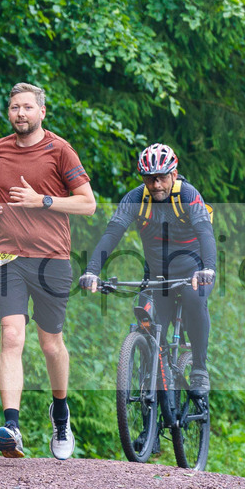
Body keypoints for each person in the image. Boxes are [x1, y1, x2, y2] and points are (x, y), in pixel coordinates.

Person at [0, 82, 97, 460]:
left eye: (28, 107)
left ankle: (60, 411)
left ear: (41, 112)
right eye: (15, 107)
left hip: (52, 259)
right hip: (7, 255)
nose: (21, 114)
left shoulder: (60, 150)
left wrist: (41, 200)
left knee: (51, 345)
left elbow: (88, 204)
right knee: (11, 336)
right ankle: (11, 426)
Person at [78, 142, 216, 398]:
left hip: (193, 272)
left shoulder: (187, 195)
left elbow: (206, 233)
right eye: (149, 179)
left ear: (173, 175)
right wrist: (92, 271)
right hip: (157, 275)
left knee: (193, 299)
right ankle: (149, 404)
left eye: (162, 178)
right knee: (148, 326)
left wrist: (208, 268)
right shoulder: (134, 199)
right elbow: (111, 235)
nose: (156, 185)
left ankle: (199, 369)